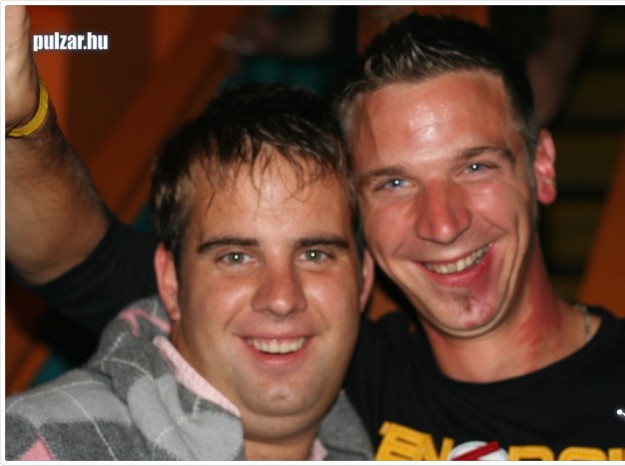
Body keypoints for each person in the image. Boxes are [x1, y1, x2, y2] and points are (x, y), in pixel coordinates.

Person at [5, 7, 625, 461]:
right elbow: (75, 256)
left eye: (475, 166)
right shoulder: (323, 360)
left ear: (540, 168)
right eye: (394, 182)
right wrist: (19, 117)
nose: (444, 223)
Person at [5, 75, 375, 459]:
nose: (282, 299)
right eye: (236, 257)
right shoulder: (38, 441)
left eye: (314, 255)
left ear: (363, 279)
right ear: (171, 281)